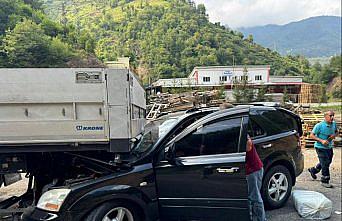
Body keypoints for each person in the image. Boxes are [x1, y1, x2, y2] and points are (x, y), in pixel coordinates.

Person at [308, 110, 338, 188]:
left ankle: (314, 170)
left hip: (329, 147)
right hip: (320, 147)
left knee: (328, 161)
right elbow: (311, 135)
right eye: (330, 116)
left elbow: (336, 132)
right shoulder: (319, 125)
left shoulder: (334, 124)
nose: (332, 117)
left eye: (333, 115)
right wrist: (321, 140)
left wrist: (333, 136)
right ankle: (325, 180)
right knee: (325, 163)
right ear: (325, 117)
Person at [246, 135, 266, 221]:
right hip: (252, 170)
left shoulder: (247, 141)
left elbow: (249, 144)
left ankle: (261, 219)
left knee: (255, 197)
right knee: (250, 197)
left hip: (253, 170)